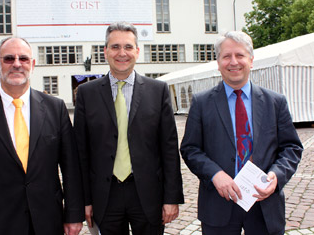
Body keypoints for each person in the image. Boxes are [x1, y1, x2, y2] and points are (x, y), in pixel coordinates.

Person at [0, 37, 84, 235]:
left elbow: (71, 168)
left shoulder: (55, 108)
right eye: (9, 59)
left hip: (48, 220)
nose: (16, 64)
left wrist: (73, 215)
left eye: (23, 58)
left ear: (32, 64)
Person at [180, 31, 303, 235]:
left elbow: (291, 147)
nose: (233, 62)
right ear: (218, 62)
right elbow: (190, 149)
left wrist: (276, 175)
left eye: (240, 55)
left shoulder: (275, 102)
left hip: (264, 204)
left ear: (251, 61)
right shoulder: (202, 103)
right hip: (218, 206)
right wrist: (215, 175)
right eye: (226, 56)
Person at [73, 21, 184, 235]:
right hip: (105, 196)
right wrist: (83, 201)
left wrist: (171, 197)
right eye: (115, 47)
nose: (121, 53)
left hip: (149, 194)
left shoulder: (158, 91)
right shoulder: (87, 93)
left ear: (137, 51)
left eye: (128, 47)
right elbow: (81, 153)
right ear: (105, 51)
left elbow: (169, 148)